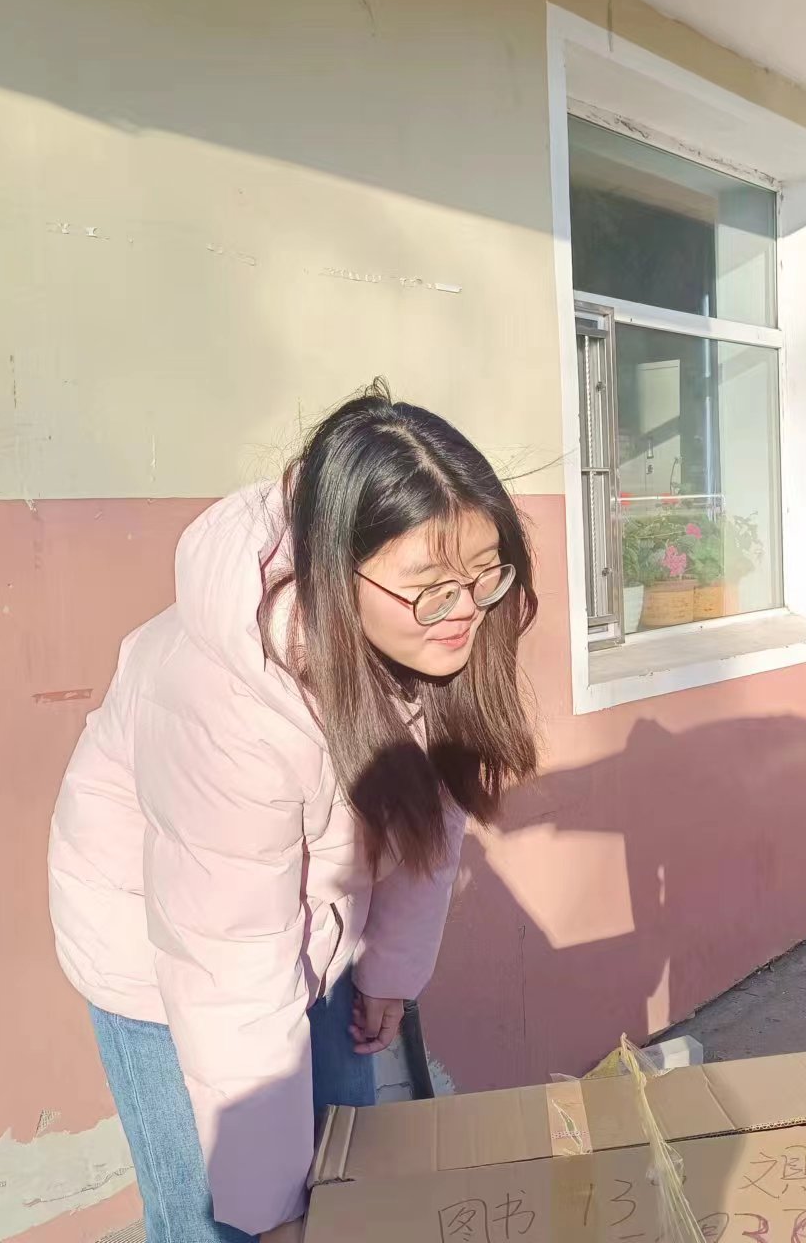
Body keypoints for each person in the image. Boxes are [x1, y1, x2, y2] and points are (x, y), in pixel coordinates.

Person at [48, 384, 539, 1241]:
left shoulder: (425, 639)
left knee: (348, 1181)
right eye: (430, 587)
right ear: (334, 572)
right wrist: (271, 1214)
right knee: (221, 1221)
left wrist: (389, 974)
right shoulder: (223, 703)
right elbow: (228, 968)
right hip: (171, 967)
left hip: (312, 932)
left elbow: (428, 824)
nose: (464, 611)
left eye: (484, 574)